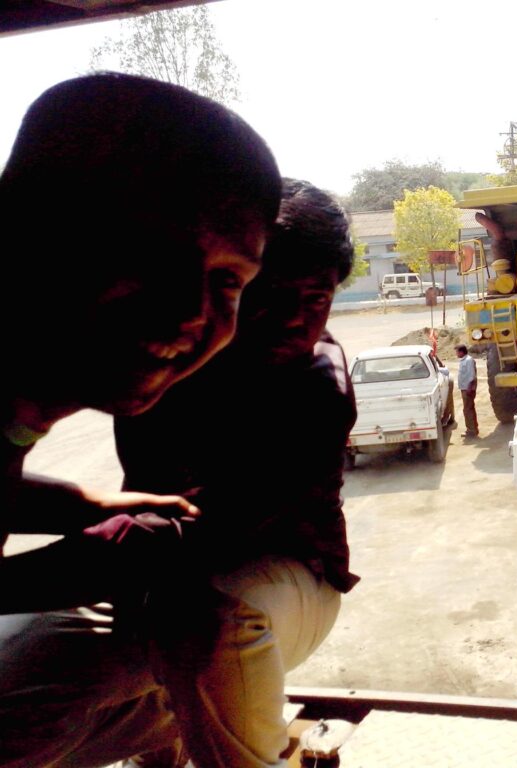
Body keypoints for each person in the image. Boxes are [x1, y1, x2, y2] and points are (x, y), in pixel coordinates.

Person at [0, 180, 358, 768]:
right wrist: (89, 504)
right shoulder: (176, 345)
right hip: (152, 574)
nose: (294, 320)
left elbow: (190, 532)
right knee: (15, 710)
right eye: (265, 293)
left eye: (316, 298)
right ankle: (162, 732)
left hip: (280, 576)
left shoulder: (314, 388)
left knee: (209, 622)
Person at [0, 73, 281, 612]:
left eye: (227, 280)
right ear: (25, 232)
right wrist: (113, 556)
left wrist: (92, 505)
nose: (190, 312)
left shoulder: (17, 409)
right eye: (151, 255)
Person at [456, 344, 479, 438]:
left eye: (457, 351)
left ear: (461, 352)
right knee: (470, 408)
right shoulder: (464, 360)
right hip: (465, 388)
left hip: (468, 389)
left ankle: (471, 430)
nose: (456, 354)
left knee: (467, 410)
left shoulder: (468, 360)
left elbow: (471, 375)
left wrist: (469, 387)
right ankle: (474, 429)